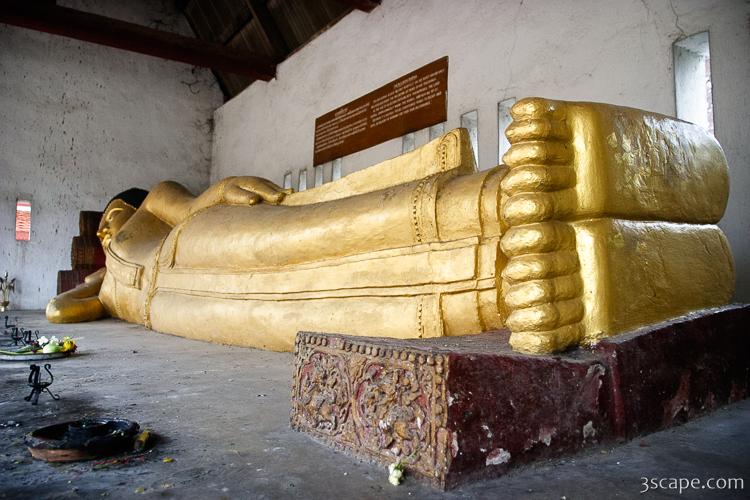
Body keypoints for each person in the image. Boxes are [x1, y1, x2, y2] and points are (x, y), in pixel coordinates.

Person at [47, 98, 735, 354]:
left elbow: (194, 202)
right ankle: (522, 279)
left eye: (111, 217)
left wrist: (205, 200)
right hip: (181, 306)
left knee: (316, 237)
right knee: (322, 305)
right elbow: (61, 309)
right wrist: (100, 283)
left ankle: (505, 196)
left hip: (198, 244)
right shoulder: (105, 282)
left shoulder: (149, 208)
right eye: (104, 227)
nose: (108, 229)